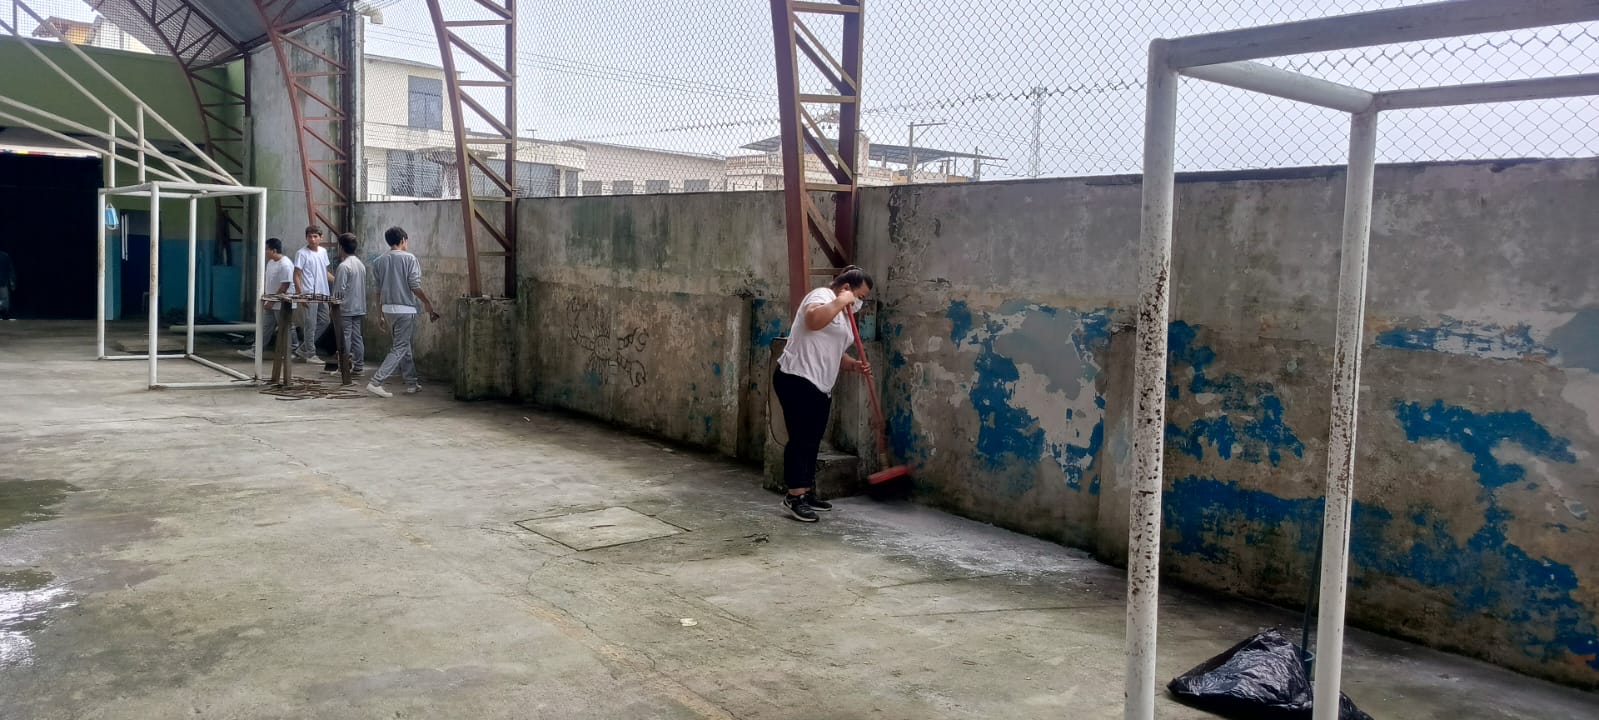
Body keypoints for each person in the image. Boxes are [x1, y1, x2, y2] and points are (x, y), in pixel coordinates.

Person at [771, 265, 873, 522]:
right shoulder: (822, 296)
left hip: (820, 384)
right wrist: (841, 300)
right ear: (846, 288)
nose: (860, 303)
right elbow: (813, 321)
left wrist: (852, 365)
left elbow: (832, 350)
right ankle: (794, 496)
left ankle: (805, 491)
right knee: (801, 438)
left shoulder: (844, 313)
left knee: (813, 439)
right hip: (797, 377)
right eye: (860, 296)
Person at [366, 226, 440, 398]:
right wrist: (427, 303)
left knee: (403, 346)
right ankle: (376, 382)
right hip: (405, 310)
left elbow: (377, 291)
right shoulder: (409, 258)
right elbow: (414, 286)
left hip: (388, 310)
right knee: (399, 347)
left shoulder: (379, 261)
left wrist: (380, 314)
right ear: (403, 240)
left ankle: (412, 383)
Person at [237, 238, 296, 359]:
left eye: (266, 249)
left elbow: (285, 285)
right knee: (265, 327)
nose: (264, 252)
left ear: (274, 250)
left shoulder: (285, 264)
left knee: (286, 327)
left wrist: (271, 301)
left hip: (282, 303)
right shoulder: (271, 263)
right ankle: (256, 350)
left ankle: (293, 351)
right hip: (271, 301)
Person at [325, 232, 367, 380]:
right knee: (357, 338)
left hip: (345, 308)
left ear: (341, 247)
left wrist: (333, 308)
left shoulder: (344, 266)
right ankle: (359, 367)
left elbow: (338, 291)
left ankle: (344, 368)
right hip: (359, 307)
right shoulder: (360, 264)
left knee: (344, 338)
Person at [292, 225, 332, 364]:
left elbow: (324, 272)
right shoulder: (301, 253)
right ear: (306, 237)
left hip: (323, 292)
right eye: (309, 236)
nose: (312, 239)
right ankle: (310, 353)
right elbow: (296, 275)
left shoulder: (323, 252)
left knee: (325, 321)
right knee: (310, 324)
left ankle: (304, 348)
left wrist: (337, 280)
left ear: (321, 238)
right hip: (309, 293)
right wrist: (301, 295)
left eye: (315, 236)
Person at [0, 249, 14, 321]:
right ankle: (4, 316)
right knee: (4, 302)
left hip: (3, 282)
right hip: (3, 282)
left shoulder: (4, 256)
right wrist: (12, 282)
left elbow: (10, 269)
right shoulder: (5, 255)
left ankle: (4, 316)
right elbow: (10, 269)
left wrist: (12, 281)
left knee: (4, 302)